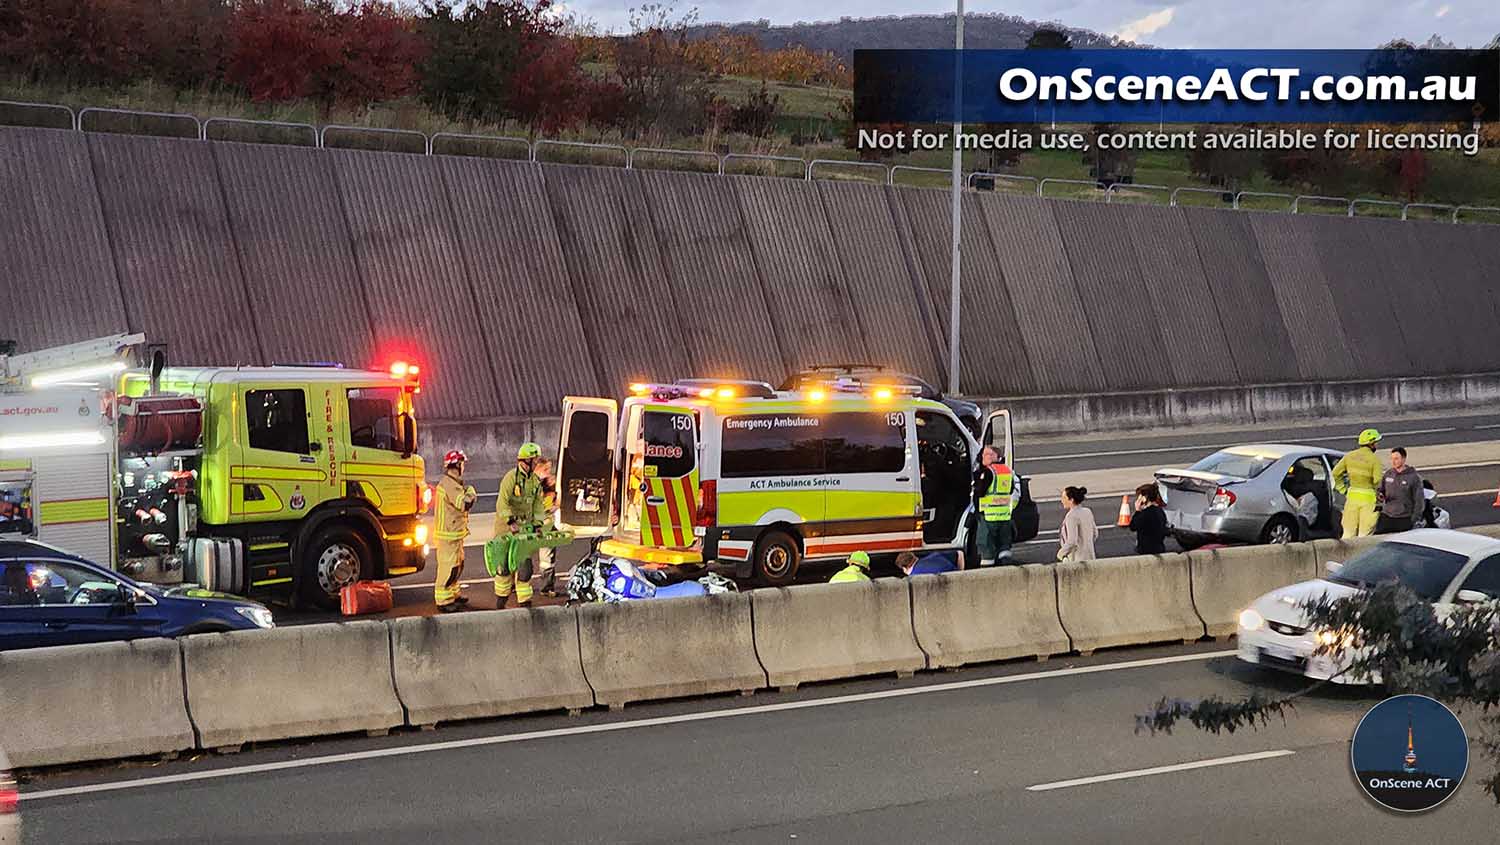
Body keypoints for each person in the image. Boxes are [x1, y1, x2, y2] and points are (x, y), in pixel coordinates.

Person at [494, 442, 548, 608]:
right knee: (504, 567)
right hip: (506, 530)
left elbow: (538, 504)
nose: (537, 463)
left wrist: (539, 524)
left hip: (524, 531)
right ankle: (501, 600)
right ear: (526, 461)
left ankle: (524, 600)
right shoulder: (510, 478)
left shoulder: (534, 481)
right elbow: (502, 503)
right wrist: (510, 521)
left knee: (525, 566)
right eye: (535, 460)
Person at [432, 450, 478, 613]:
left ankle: (453, 595)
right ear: (457, 465)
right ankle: (443, 601)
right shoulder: (449, 484)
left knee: (457, 565)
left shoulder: (454, 482)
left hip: (455, 533)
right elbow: (464, 503)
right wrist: (471, 491)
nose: (463, 467)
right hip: (448, 535)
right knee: (449, 567)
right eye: (462, 463)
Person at [1332, 428, 1385, 538]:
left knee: (1348, 533)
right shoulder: (1375, 460)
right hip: (1368, 500)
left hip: (1351, 498)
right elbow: (1378, 481)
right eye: (1376, 443)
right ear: (1371, 443)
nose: (1376, 445)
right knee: (1364, 535)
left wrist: (1342, 489)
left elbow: (1336, 473)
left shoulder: (1349, 456)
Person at [974, 446, 1015, 566]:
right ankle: (1006, 566)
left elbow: (980, 492)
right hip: (1005, 515)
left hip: (989, 516)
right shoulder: (1007, 471)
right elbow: (1011, 489)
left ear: (994, 456)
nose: (982, 457)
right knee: (1004, 546)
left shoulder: (988, 472)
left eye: (986, 454)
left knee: (986, 545)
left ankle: (988, 572)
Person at [1376, 446, 1423, 534]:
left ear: (1404, 459)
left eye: (1396, 459)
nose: (1393, 462)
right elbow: (1380, 490)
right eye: (1392, 459)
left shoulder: (1414, 477)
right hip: (1387, 516)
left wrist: (1413, 519)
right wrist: (1380, 496)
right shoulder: (1388, 474)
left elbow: (1419, 501)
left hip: (1404, 518)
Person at [533, 457, 560, 596]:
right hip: (532, 526)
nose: (548, 472)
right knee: (522, 559)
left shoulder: (550, 485)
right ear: (536, 469)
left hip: (546, 527)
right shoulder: (531, 484)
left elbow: (556, 502)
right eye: (545, 469)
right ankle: (515, 585)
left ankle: (546, 587)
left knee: (547, 560)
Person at [1057, 486, 1098, 563]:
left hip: (1076, 560)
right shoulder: (1088, 511)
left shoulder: (1071, 516)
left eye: (1064, 498)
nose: (1061, 500)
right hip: (1091, 557)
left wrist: (1061, 553)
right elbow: (1095, 534)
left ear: (1071, 500)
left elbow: (1072, 541)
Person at [1128, 482, 1170, 555]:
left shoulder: (1146, 514)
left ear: (1145, 498)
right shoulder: (1160, 511)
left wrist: (1137, 510)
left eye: (1139, 496)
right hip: (1159, 548)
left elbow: (1133, 526)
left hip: (1147, 551)